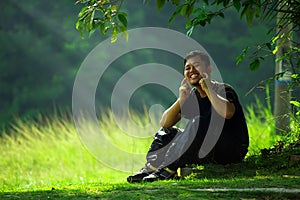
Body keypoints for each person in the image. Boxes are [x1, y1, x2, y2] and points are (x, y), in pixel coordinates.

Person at [127, 50, 249, 183]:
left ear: (208, 68)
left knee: (198, 122)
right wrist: (181, 100)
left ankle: (167, 169)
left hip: (230, 149)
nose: (192, 70)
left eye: (196, 65)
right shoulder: (193, 96)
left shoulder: (223, 90)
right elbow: (165, 123)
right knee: (167, 132)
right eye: (187, 68)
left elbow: (228, 113)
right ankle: (151, 168)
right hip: (204, 149)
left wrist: (208, 89)